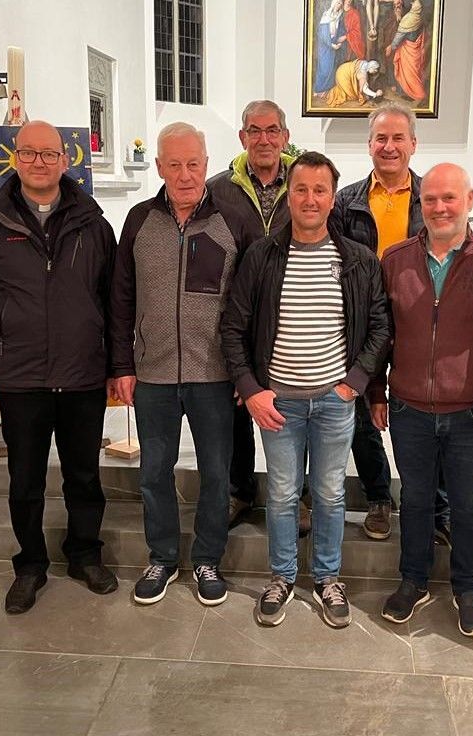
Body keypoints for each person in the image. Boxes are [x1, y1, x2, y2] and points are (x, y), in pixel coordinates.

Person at [0, 120, 118, 614]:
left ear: (65, 160)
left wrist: (116, 365)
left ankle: (84, 554)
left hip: (82, 375)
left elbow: (114, 304)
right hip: (20, 378)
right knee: (25, 481)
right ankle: (29, 565)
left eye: (49, 154)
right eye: (29, 153)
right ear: (15, 159)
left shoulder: (93, 225)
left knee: (84, 476)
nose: (39, 162)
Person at [221, 151, 391, 628]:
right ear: (289, 196)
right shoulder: (261, 256)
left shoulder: (356, 260)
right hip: (279, 404)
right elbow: (233, 327)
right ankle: (281, 577)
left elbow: (380, 326)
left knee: (331, 494)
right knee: (280, 495)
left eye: (320, 190)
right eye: (301, 189)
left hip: (335, 402)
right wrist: (251, 388)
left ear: (333, 198)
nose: (310, 199)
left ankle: (328, 578)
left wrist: (355, 383)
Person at [369, 163, 473, 635]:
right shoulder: (395, 260)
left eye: (449, 198)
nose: (439, 208)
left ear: (469, 201)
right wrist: (376, 391)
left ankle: (467, 589)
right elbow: (381, 333)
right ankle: (412, 581)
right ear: (421, 204)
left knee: (468, 504)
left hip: (471, 410)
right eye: (430, 199)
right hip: (408, 407)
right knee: (414, 499)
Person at [109, 122, 242, 608]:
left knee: (216, 473)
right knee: (153, 472)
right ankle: (162, 558)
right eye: (174, 165)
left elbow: (248, 304)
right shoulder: (139, 220)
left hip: (214, 376)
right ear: (159, 167)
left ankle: (207, 559)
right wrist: (122, 364)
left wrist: (244, 372)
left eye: (193, 164)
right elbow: (120, 297)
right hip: (153, 375)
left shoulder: (233, 220)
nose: (185, 174)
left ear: (206, 164)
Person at [329, 101, 450, 543]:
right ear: (369, 145)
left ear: (413, 143)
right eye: (381, 138)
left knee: (429, 415)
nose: (389, 146)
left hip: (420, 322)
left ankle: (438, 509)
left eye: (399, 137)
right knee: (363, 414)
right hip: (364, 325)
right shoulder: (346, 202)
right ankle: (379, 497)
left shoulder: (431, 198)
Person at [208, 100, 309, 532]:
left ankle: (297, 496)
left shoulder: (305, 184)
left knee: (294, 408)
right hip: (236, 314)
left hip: (293, 316)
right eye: (254, 130)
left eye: (272, 130)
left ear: (285, 136)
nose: (264, 139)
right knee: (236, 408)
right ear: (242, 137)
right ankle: (240, 490)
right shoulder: (217, 190)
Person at [315, 0, 347, 94]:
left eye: (340, 4)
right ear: (333, 3)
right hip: (325, 46)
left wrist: (340, 40)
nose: (339, 5)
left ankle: (328, 90)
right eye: (338, 3)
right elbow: (323, 34)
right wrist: (331, 45)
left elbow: (340, 31)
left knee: (332, 68)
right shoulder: (326, 16)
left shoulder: (339, 17)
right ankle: (320, 89)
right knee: (325, 68)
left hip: (334, 43)